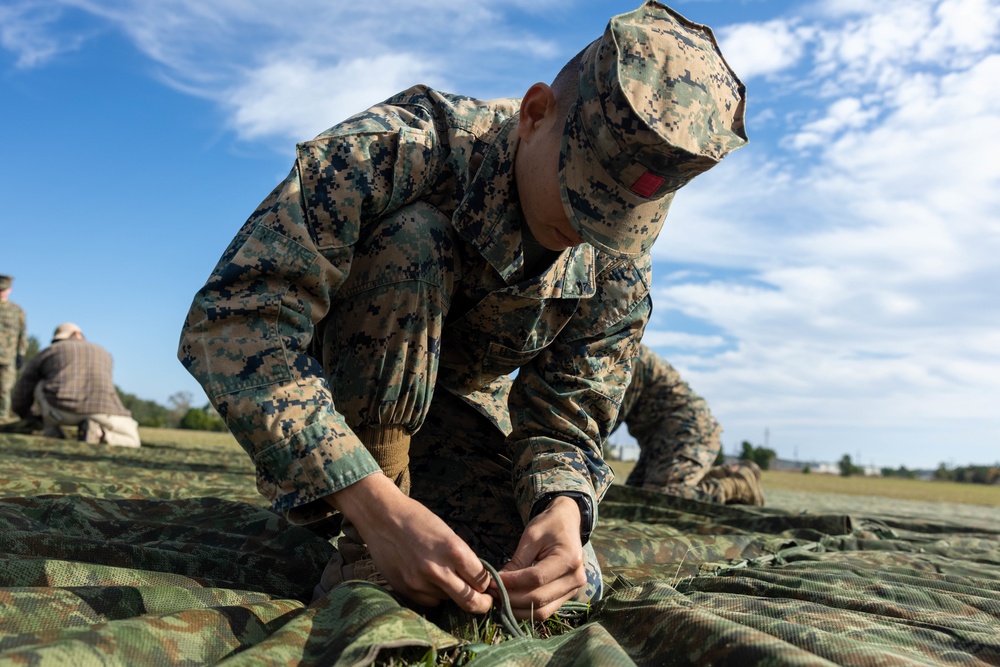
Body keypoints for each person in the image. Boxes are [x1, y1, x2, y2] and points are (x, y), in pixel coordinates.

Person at [179, 0, 747, 621]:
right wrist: (378, 511)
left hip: (461, 411)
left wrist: (561, 510)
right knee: (412, 240)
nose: (590, 228)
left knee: (544, 580)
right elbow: (237, 320)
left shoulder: (617, 253)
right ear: (534, 114)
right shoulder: (402, 149)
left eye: (618, 216)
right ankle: (365, 533)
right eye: (583, 189)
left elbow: (570, 412)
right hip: (335, 401)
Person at [614, 344, 764, 505]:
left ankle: (737, 486)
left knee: (661, 498)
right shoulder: (608, 348)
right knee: (630, 498)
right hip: (657, 436)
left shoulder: (621, 355)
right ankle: (715, 475)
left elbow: (600, 420)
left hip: (689, 430)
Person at [11, 322, 141, 448]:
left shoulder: (48, 351)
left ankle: (51, 430)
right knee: (133, 440)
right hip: (104, 412)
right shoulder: (104, 353)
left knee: (40, 384)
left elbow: (23, 389)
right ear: (78, 334)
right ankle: (101, 435)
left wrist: (28, 416)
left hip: (60, 412)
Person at [0, 275, 28, 422]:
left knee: (5, 389)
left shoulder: (17, 311)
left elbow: (23, 334)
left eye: (3, 289)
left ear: (9, 290)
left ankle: (2, 418)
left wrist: (20, 354)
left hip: (7, 357)